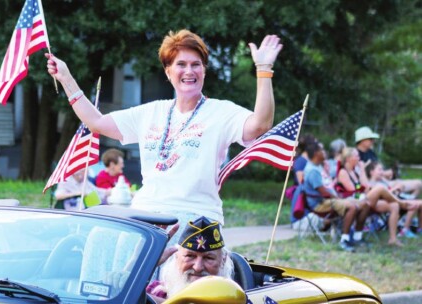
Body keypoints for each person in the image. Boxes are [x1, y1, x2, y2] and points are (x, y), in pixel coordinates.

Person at [46, 29, 283, 235]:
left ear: (204, 71)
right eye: (181, 64)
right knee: (100, 246)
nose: (189, 71)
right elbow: (96, 122)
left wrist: (264, 69)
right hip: (145, 215)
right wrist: (66, 78)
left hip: (195, 218)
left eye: (195, 64)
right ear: (168, 72)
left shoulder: (221, 112)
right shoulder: (152, 112)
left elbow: (260, 125)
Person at [336, 147, 415, 246]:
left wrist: (362, 170)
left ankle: (393, 239)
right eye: (356, 156)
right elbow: (354, 193)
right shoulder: (343, 172)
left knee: (394, 205)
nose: (359, 158)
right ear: (348, 159)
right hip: (353, 202)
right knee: (380, 188)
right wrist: (365, 191)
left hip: (364, 201)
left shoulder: (355, 172)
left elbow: (365, 187)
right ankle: (402, 203)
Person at [146, 216, 234, 302]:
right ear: (176, 256)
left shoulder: (234, 297)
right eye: (190, 256)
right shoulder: (157, 291)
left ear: (223, 260)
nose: (198, 267)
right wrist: (146, 264)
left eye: (208, 258)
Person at [302, 142, 370, 252]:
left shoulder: (320, 167)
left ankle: (357, 236)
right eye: (356, 155)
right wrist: (342, 197)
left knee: (366, 204)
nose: (359, 157)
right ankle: (345, 240)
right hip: (322, 203)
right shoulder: (316, 170)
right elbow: (325, 192)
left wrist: (362, 176)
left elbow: (361, 186)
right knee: (353, 206)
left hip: (333, 198)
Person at [355, 126, 422, 197]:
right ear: (362, 140)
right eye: (370, 139)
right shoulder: (355, 155)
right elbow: (362, 175)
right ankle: (406, 202)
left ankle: (408, 202)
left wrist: (386, 174)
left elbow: (377, 168)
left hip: (383, 181)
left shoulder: (370, 152)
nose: (373, 141)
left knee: (418, 184)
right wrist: (383, 173)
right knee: (412, 184)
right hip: (374, 185)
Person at [366, 161, 421, 239]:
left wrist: (398, 188)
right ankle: (405, 230)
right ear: (371, 172)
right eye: (379, 170)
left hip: (395, 198)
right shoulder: (370, 183)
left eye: (382, 169)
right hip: (389, 203)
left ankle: (420, 229)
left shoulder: (382, 181)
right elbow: (380, 196)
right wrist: (393, 191)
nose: (382, 172)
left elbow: (392, 187)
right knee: (414, 204)